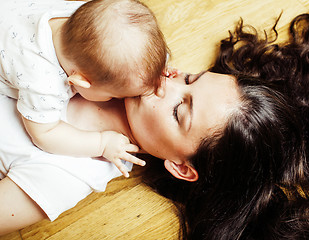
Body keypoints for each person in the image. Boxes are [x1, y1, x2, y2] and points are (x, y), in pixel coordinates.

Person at [1, 11, 309, 240]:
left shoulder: (66, 177)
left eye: (177, 111)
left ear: (181, 167)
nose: (165, 82)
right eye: (190, 78)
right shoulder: (111, 37)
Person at [0, 0, 168, 177]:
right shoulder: (43, 82)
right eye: (112, 96)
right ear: (81, 82)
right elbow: (44, 134)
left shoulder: (83, 17)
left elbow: (126, 38)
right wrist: (101, 144)